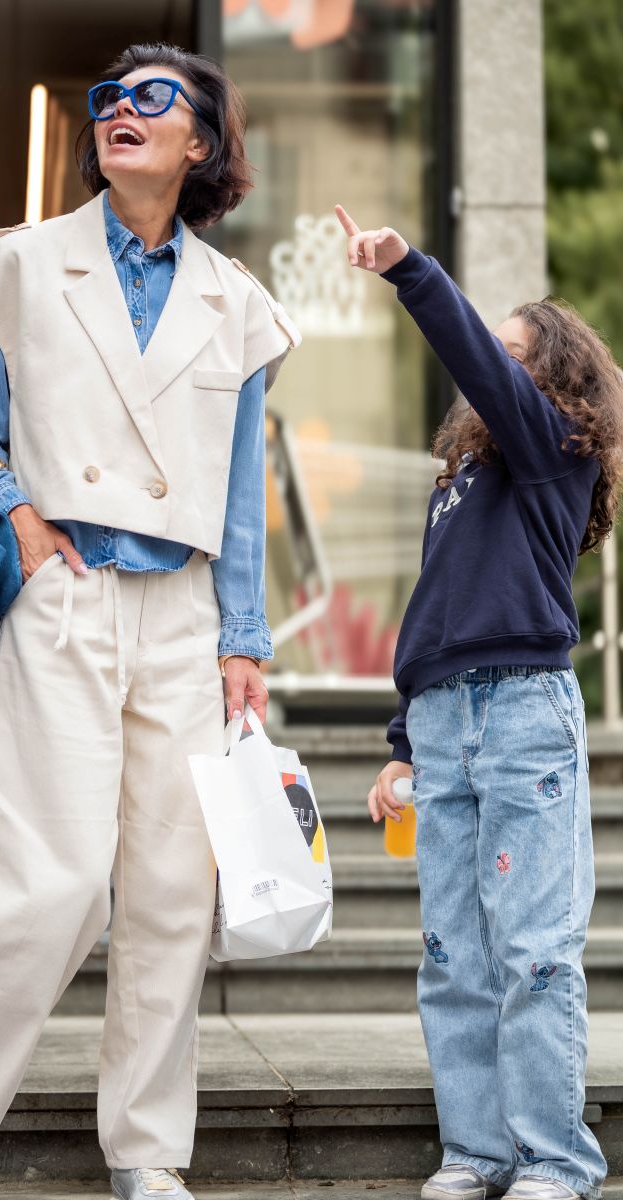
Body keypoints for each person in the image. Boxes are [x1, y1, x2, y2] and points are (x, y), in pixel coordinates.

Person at [0, 43, 299, 1200]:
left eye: (153, 98)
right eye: (108, 98)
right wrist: (18, 519)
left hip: (183, 614)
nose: (120, 109)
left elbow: (239, 495)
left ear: (200, 142)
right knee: (50, 883)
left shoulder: (239, 305)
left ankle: (148, 1151)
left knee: (171, 892)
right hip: (64, 593)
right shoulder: (20, 265)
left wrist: (243, 637)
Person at [336, 204, 623, 1200]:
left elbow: (485, 373)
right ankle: (476, 1151)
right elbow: (435, 611)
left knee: (533, 953)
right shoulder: (457, 480)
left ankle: (554, 1160)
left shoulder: (553, 453)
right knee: (453, 955)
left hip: (522, 715)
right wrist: (402, 744)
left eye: (510, 355)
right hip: (443, 717)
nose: (486, 370)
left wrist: (411, 271)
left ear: (555, 378)